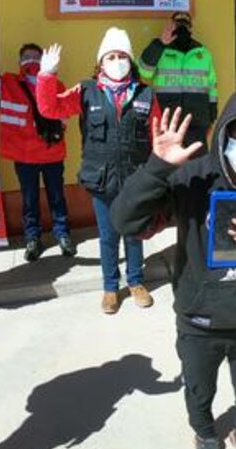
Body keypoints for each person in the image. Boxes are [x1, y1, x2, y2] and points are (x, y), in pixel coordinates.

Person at [111, 82, 236, 449]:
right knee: (199, 389)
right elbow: (125, 221)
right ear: (229, 133)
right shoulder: (193, 177)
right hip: (199, 321)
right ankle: (204, 433)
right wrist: (157, 169)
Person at [35, 28, 159, 314]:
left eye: (122, 56)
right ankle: (110, 288)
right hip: (101, 179)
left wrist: (156, 176)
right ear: (101, 63)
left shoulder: (146, 94)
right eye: (111, 56)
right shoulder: (85, 90)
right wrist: (46, 77)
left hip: (135, 179)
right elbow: (49, 108)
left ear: (130, 61)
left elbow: (157, 136)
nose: (117, 61)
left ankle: (137, 282)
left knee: (134, 233)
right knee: (108, 236)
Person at [0, 25, 75, 262]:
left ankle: (63, 235)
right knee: (29, 200)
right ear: (19, 61)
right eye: (26, 57)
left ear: (43, 59)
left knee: (57, 197)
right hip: (24, 157)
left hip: (51, 154)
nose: (31, 61)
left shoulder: (55, 84)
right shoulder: (8, 83)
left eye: (35, 57)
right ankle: (32, 239)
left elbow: (65, 117)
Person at [139, 11, 218, 152]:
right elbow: (144, 71)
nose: (182, 28)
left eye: (185, 25)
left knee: (197, 166)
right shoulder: (161, 49)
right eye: (178, 25)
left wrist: (212, 108)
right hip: (167, 119)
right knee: (169, 166)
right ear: (172, 26)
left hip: (197, 119)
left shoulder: (203, 53)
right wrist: (160, 44)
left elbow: (212, 84)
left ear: (191, 28)